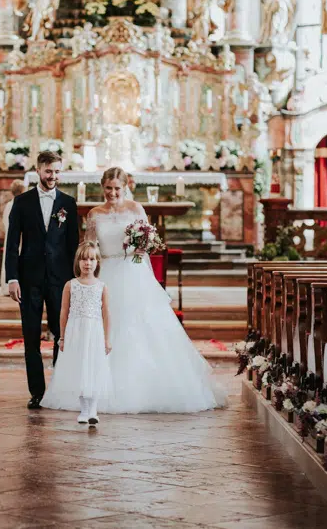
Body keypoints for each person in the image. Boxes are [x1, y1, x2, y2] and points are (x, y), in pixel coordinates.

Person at [84, 166, 227, 413]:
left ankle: (142, 387)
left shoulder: (135, 209)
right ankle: (102, 385)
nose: (112, 193)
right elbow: (88, 246)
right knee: (107, 325)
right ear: (102, 187)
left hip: (132, 271)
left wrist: (142, 248)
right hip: (107, 272)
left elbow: (148, 240)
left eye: (117, 188)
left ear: (125, 187)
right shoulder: (94, 214)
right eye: (108, 188)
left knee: (138, 324)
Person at [5, 151, 79, 409]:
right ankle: (37, 391)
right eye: (49, 171)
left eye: (58, 171)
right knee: (31, 335)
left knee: (62, 335)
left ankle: (60, 387)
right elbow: (12, 244)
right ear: (38, 170)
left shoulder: (68, 204)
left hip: (61, 280)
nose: (53, 176)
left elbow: (73, 246)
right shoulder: (22, 202)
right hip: (29, 278)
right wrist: (12, 278)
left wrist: (76, 281)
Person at [41, 242, 112, 426]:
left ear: (97, 263)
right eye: (83, 259)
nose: (87, 263)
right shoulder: (70, 285)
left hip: (94, 332)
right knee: (80, 368)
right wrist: (62, 337)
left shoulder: (101, 286)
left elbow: (106, 314)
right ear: (77, 262)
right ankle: (84, 410)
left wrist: (107, 338)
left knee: (94, 368)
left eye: (91, 259)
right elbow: (63, 312)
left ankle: (93, 409)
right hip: (76, 332)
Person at [1, 180, 27, 296]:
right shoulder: (18, 204)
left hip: (9, 235)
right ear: (22, 191)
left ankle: (6, 287)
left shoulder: (9, 204)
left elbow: (4, 221)